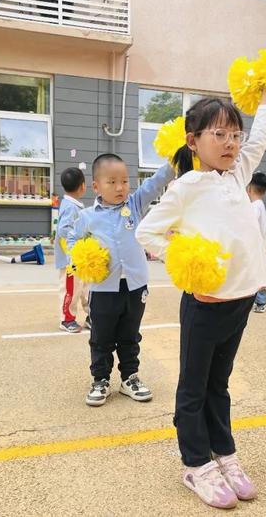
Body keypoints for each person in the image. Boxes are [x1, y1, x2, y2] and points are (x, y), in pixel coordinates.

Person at [136, 92, 266, 509]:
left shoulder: (237, 176)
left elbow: (261, 140)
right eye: (219, 134)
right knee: (194, 387)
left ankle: (224, 453)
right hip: (205, 302)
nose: (231, 142)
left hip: (241, 300)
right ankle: (196, 463)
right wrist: (184, 261)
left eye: (235, 133)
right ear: (193, 140)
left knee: (220, 383)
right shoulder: (185, 187)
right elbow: (147, 233)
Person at [68, 153, 175, 407]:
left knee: (130, 334)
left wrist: (175, 159)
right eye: (112, 182)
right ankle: (100, 379)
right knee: (101, 336)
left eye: (125, 181)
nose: (120, 187)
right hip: (103, 287)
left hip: (136, 285)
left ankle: (130, 377)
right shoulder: (87, 216)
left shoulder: (135, 205)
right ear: (96, 186)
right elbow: (72, 241)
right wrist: (83, 258)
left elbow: (156, 182)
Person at [54, 167, 89, 333]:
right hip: (70, 260)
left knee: (86, 287)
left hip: (80, 257)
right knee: (72, 289)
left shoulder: (74, 205)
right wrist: (78, 238)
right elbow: (64, 229)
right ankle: (67, 319)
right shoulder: (70, 207)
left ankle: (92, 317)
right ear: (83, 186)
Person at [248, 171, 266, 313]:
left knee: (258, 274)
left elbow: (250, 223)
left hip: (255, 247)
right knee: (256, 273)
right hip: (258, 245)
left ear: (249, 188)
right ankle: (257, 300)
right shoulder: (260, 204)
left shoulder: (255, 206)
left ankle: (261, 301)